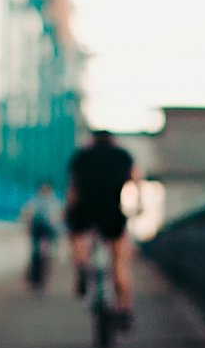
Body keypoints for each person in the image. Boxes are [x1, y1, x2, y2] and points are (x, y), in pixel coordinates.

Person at [65, 130, 140, 329]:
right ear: (113, 141)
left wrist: (69, 211)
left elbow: (73, 188)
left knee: (77, 234)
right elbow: (135, 181)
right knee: (119, 264)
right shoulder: (122, 156)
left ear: (92, 141)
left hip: (85, 212)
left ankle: (81, 265)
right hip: (112, 213)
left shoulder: (81, 157)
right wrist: (138, 205)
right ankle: (124, 309)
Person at [20, 181, 61, 288]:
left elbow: (58, 216)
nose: (44, 191)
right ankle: (36, 275)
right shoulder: (37, 200)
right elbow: (27, 212)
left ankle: (39, 275)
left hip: (48, 230)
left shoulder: (52, 201)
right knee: (37, 252)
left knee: (44, 253)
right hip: (40, 229)